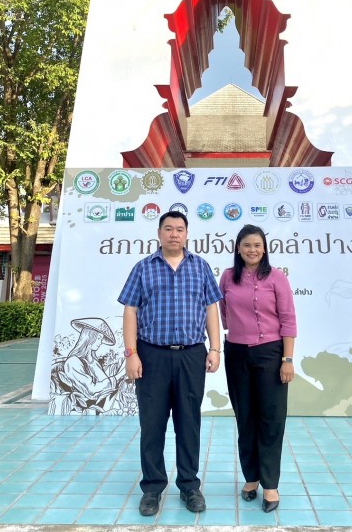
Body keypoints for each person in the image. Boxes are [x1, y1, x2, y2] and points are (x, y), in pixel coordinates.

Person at [118, 210, 222, 517]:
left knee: (188, 423)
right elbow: (130, 311)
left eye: (179, 229)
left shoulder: (200, 266)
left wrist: (215, 348)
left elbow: (211, 309)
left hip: (191, 355)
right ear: (159, 233)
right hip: (152, 356)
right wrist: (131, 353)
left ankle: (189, 486)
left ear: (187, 234)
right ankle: (152, 488)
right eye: (168, 228)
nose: (174, 234)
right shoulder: (143, 268)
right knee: (152, 424)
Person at [219, 224, 297, 513]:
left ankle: (271, 484)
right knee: (245, 418)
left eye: (257, 245)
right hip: (236, 353)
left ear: (264, 249)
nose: (252, 250)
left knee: (271, 419)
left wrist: (287, 360)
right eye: (247, 245)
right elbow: (223, 313)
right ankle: (251, 478)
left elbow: (288, 319)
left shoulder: (277, 277)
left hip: (271, 354)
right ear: (238, 249)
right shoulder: (228, 277)